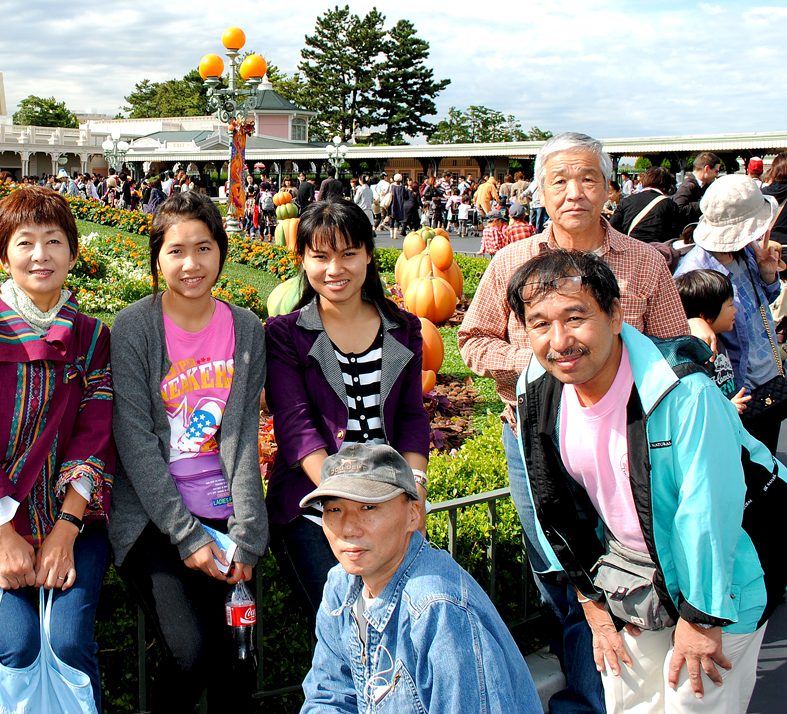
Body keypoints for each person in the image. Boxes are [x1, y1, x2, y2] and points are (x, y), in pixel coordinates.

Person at [459, 132, 690, 714]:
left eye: (588, 178)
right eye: (559, 180)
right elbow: (473, 340)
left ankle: (634, 688)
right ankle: (589, 695)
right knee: (561, 569)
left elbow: (676, 349)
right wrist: (542, 362)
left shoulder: (644, 262)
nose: (574, 192)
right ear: (540, 191)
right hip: (535, 442)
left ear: (610, 188)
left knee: (631, 563)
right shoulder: (512, 262)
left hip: (626, 444)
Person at [507, 249, 781, 714]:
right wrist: (592, 601)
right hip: (634, 574)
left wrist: (702, 618)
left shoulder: (682, 392)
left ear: (615, 315)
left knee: (695, 703)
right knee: (631, 702)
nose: (560, 340)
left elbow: (709, 512)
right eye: (540, 324)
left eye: (576, 317)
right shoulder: (537, 387)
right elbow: (552, 503)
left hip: (722, 578)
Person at [0, 186, 115, 702]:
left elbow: (96, 433)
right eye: (25, 242)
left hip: (72, 518)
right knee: (15, 645)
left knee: (69, 643)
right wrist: (2, 535)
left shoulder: (92, 337)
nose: (40, 255)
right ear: (2, 254)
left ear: (73, 253)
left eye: (54, 241)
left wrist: (67, 528)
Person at [109, 191, 268, 714]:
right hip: (154, 519)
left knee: (237, 666)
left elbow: (242, 438)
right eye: (176, 251)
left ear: (221, 251)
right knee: (191, 654)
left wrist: (248, 534)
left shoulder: (245, 328)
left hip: (223, 513)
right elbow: (136, 441)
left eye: (203, 248)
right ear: (157, 258)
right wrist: (187, 535)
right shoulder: (134, 328)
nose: (191, 264)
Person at [263, 200, 430, 612]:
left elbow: (411, 416)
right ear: (303, 260)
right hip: (313, 503)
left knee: (402, 618)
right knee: (344, 623)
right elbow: (296, 427)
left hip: (389, 499)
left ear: (369, 255)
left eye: (348, 254)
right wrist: (345, 503)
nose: (334, 269)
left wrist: (414, 492)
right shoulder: (286, 334)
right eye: (320, 256)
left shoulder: (403, 328)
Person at [300, 444, 543, 714]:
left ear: (413, 514)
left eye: (368, 507)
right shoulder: (341, 585)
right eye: (334, 510)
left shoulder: (439, 610)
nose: (348, 528)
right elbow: (329, 696)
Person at [674, 175, 783, 450]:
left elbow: (762, 305)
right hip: (737, 393)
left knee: (768, 461)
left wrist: (769, 276)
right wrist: (692, 321)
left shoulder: (746, 251)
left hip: (769, 377)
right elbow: (679, 338)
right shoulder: (696, 273)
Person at [674, 269, 748, 414]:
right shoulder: (694, 353)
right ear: (706, 314)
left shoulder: (719, 337)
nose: (735, 311)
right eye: (730, 305)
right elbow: (697, 405)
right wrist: (727, 408)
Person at [611, 167, 683, 244]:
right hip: (656, 249)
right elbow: (673, 235)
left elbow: (612, 227)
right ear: (666, 187)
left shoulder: (626, 201)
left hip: (630, 247)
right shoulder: (670, 205)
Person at [674, 153, 721, 225]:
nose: (716, 175)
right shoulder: (688, 186)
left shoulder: (704, 186)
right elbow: (679, 209)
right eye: (716, 171)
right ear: (707, 168)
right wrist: (705, 203)